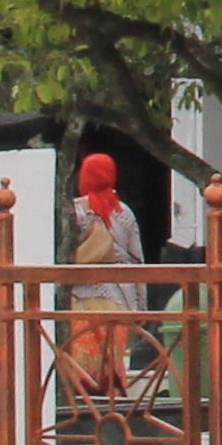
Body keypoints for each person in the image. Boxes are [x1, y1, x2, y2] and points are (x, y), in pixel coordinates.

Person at [60, 149, 152, 399]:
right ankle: (113, 422)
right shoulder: (124, 214)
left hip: (80, 300)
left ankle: (81, 418)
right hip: (118, 302)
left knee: (82, 370)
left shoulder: (75, 212)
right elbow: (137, 262)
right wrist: (141, 309)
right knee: (113, 370)